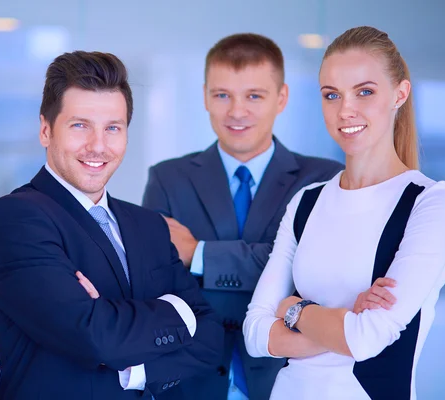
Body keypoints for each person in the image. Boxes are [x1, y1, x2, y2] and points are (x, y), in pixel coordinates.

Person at [0, 51, 224, 400]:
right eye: (80, 126)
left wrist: (134, 369)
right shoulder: (15, 219)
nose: (98, 146)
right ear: (46, 130)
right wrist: (178, 311)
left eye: (113, 128)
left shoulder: (148, 225)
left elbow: (211, 336)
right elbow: (94, 336)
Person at [243, 26, 445, 400]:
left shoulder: (431, 203)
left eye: (365, 92)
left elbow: (366, 339)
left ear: (399, 94)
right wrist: (340, 319)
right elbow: (255, 333)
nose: (345, 110)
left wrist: (293, 308)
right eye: (331, 95)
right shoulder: (306, 201)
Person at [142, 33, 342, 400]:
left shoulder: (324, 180)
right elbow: (153, 280)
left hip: (289, 380)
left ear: (281, 98)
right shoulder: (168, 178)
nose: (237, 112)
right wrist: (264, 258)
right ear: (205, 96)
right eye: (222, 95)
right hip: (190, 381)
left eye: (254, 95)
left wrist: (198, 254)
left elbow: (311, 271)